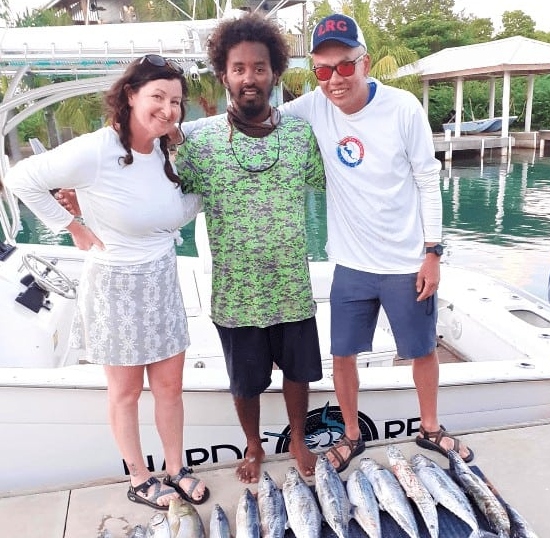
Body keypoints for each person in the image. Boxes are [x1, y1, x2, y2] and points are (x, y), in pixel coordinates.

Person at [4, 55, 208, 508]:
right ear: (131, 95)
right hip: (116, 284)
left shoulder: (167, 148)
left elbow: (179, 204)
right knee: (127, 391)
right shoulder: (97, 150)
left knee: (170, 388)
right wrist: (71, 224)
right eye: (157, 96)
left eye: (175, 101)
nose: (168, 109)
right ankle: (139, 479)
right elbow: (21, 178)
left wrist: (178, 144)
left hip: (161, 278)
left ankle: (176, 469)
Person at [280, 13, 474, 471]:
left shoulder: (404, 107)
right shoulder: (312, 106)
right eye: (323, 70)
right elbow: (260, 119)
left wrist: (433, 253)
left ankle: (430, 428)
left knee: (422, 350)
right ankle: (351, 435)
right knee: (342, 354)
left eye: (344, 66)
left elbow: (428, 182)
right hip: (350, 262)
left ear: (364, 62)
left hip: (406, 261)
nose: (334, 80)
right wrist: (175, 134)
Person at [175, 14, 326, 483]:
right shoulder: (199, 143)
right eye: (238, 68)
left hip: (291, 286)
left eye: (258, 68)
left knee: (298, 373)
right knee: (245, 382)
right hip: (236, 293)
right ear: (224, 75)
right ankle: (255, 445)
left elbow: (339, 183)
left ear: (274, 72)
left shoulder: (300, 137)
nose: (249, 78)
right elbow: (160, 190)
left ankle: (298, 437)